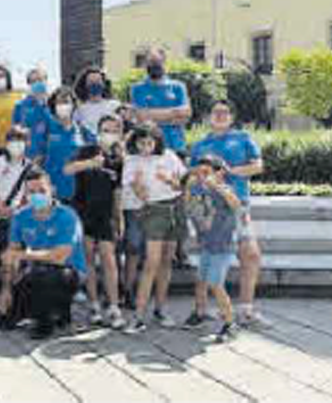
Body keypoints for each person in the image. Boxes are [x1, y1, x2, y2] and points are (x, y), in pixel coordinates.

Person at [190, 99, 267, 328]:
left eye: (225, 112)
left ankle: (246, 309)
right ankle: (201, 310)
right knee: (206, 257)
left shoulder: (243, 139)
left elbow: (257, 166)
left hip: (237, 204)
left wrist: (228, 172)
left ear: (231, 117)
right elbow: (193, 174)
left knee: (250, 253)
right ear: (209, 117)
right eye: (216, 112)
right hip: (208, 206)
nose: (220, 115)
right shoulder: (200, 145)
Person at [0, 167, 86, 340]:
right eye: (31, 192)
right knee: (3, 318)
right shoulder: (21, 216)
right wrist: (6, 290)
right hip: (35, 272)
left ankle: (47, 321)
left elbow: (60, 257)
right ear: (25, 194)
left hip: (68, 271)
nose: (37, 195)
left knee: (43, 276)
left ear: (52, 190)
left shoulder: (67, 216)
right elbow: (10, 255)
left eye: (42, 190)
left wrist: (23, 256)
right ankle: (49, 312)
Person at [123, 124, 187, 334]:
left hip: (175, 208)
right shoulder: (132, 161)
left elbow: (183, 185)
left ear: (157, 141)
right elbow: (140, 196)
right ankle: (138, 316)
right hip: (153, 210)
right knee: (151, 262)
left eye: (150, 142)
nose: (146, 147)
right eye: (142, 143)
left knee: (167, 261)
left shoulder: (169, 156)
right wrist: (139, 184)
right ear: (135, 142)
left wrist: (169, 180)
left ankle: (160, 309)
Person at [66, 114, 126, 329]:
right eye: (105, 129)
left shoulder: (119, 160)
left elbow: (118, 192)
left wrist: (119, 219)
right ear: (98, 131)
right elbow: (68, 169)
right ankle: (93, 305)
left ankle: (113, 306)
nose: (109, 134)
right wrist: (89, 163)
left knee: (109, 261)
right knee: (89, 260)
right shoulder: (86, 150)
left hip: (105, 215)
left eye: (113, 130)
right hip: (83, 212)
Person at [182, 155, 242, 343]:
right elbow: (188, 207)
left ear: (220, 173)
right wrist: (188, 187)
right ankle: (200, 313)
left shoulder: (224, 189)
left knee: (216, 284)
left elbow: (236, 204)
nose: (201, 177)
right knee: (201, 281)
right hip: (207, 245)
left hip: (222, 246)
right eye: (199, 173)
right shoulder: (199, 191)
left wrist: (216, 186)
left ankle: (230, 323)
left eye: (206, 173)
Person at [130, 48, 192, 155]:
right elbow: (141, 117)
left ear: (164, 63)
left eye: (158, 62)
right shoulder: (137, 89)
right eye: (151, 62)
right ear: (145, 64)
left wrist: (152, 116)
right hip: (149, 148)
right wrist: (173, 114)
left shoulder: (178, 87)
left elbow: (186, 115)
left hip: (176, 145)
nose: (155, 65)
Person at [0, 126, 34, 265]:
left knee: (20, 254)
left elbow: (29, 192)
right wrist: (0, 207)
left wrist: (20, 209)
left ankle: (18, 283)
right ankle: (6, 286)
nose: (16, 143)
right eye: (12, 139)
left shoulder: (29, 165)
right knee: (4, 254)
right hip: (1, 215)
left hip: (20, 216)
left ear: (27, 142)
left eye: (20, 139)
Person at [44, 86, 93, 205]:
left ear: (73, 105)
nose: (63, 106)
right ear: (53, 106)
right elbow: (36, 160)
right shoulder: (45, 130)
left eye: (66, 102)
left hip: (81, 193)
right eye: (59, 102)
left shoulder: (83, 131)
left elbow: (94, 157)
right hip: (54, 193)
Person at [12, 67, 51, 161]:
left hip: (52, 156)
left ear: (46, 81)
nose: (37, 83)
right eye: (33, 81)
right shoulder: (20, 106)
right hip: (29, 156)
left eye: (40, 80)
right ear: (28, 85)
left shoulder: (54, 103)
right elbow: (16, 131)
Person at [73, 67, 121, 137]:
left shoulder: (115, 105)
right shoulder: (79, 110)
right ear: (84, 85)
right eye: (91, 81)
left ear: (104, 83)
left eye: (98, 80)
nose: (95, 84)